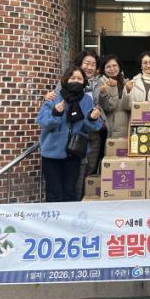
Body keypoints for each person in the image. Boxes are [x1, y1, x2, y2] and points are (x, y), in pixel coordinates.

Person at [37, 66, 103, 202]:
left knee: (70, 191)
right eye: (72, 78)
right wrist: (56, 113)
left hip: (74, 152)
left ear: (84, 82)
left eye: (79, 79)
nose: (76, 81)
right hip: (52, 152)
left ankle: (68, 216)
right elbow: (43, 121)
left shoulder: (87, 100)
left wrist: (92, 118)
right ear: (66, 79)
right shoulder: (54, 97)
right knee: (53, 192)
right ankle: (54, 215)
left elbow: (91, 127)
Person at [45, 50, 103, 177]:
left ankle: (83, 190)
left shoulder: (100, 83)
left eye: (93, 64)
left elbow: (103, 106)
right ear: (80, 63)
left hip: (92, 132)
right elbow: (56, 100)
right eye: (87, 63)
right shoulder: (67, 80)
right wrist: (48, 98)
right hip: (72, 132)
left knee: (89, 169)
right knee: (73, 170)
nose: (90, 67)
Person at [97, 55, 130, 139]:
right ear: (103, 69)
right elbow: (108, 107)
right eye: (108, 67)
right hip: (111, 126)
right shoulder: (101, 83)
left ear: (119, 67)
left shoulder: (126, 82)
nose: (112, 69)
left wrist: (129, 91)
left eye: (114, 65)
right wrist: (112, 87)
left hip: (127, 125)